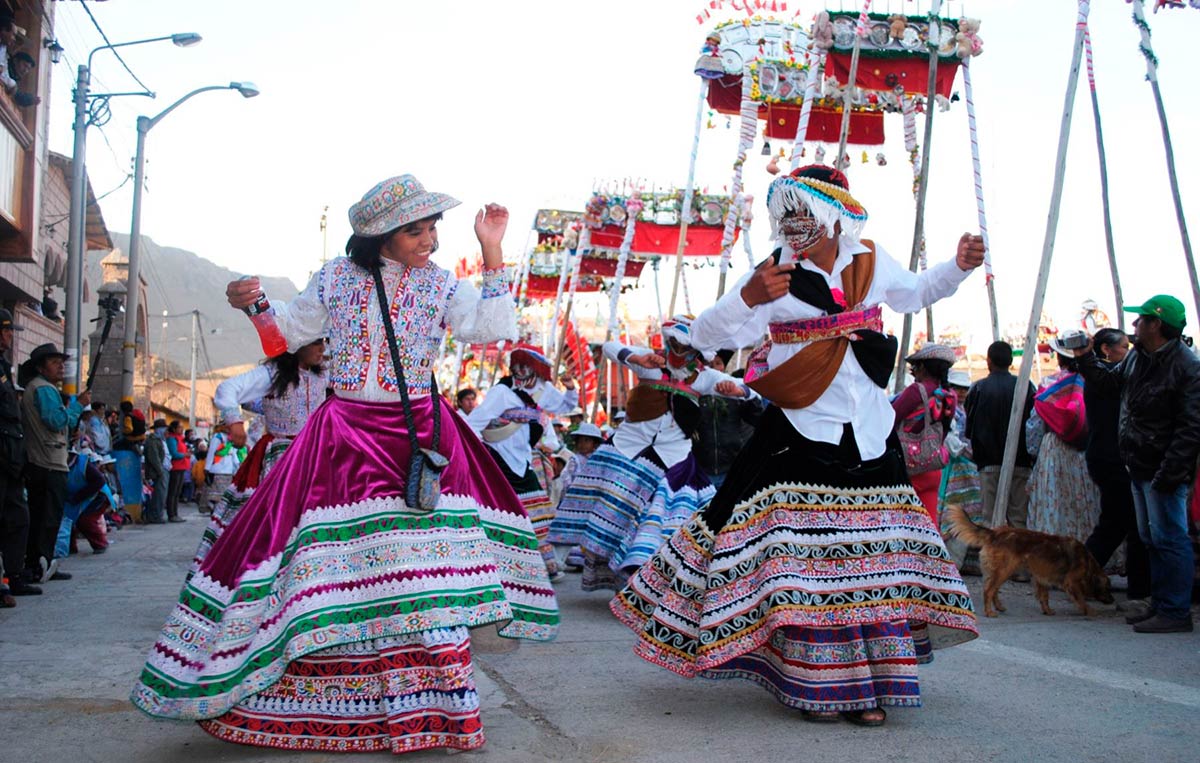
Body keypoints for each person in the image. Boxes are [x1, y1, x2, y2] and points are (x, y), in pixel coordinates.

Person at [133, 173, 558, 754]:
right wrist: (252, 303)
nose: (429, 239)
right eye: (415, 230)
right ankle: (323, 705)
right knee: (335, 573)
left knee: (422, 578)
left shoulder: (439, 284)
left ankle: (429, 709)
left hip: (419, 438)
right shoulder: (335, 278)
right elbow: (283, 336)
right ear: (381, 234)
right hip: (346, 436)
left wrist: (491, 248)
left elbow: (493, 328)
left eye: (432, 227)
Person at [610, 165, 980, 726]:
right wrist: (747, 298)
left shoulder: (872, 262)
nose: (793, 226)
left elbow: (916, 293)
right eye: (784, 216)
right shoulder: (772, 275)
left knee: (873, 562)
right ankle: (819, 684)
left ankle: (872, 685)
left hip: (871, 433)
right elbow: (707, 338)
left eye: (803, 214)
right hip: (800, 430)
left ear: (834, 216)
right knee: (805, 565)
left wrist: (958, 266)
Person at [549, 316, 751, 590]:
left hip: (673, 460)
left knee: (666, 518)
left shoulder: (704, 378)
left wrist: (738, 390)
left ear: (697, 352)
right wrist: (635, 357)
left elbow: (752, 394)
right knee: (594, 491)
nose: (679, 352)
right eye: (675, 344)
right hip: (628, 448)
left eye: (686, 348)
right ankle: (561, 555)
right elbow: (609, 347)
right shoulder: (651, 363)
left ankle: (653, 580)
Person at [1075, 295, 1200, 634]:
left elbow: (1191, 427)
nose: (1134, 326)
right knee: (1151, 538)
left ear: (1156, 324)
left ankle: (1175, 610)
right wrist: (1085, 357)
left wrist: (1170, 474)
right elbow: (1108, 383)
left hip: (1162, 470)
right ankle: (1163, 605)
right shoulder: (1138, 359)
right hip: (1140, 465)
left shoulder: (1186, 365)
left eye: (1141, 320)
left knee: (1170, 539)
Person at [189, 338, 327, 577]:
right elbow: (227, 389)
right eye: (316, 343)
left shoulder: (323, 375)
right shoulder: (272, 375)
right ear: (297, 344)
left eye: (323, 342)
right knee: (273, 522)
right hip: (281, 458)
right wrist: (235, 421)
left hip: (315, 456)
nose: (322, 349)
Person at [467, 345, 578, 580]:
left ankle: (542, 565)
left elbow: (564, 407)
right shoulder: (502, 392)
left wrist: (570, 389)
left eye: (525, 365)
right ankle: (499, 564)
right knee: (509, 508)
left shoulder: (542, 389)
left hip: (523, 457)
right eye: (516, 365)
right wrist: (480, 453)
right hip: (498, 455)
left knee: (534, 510)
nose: (520, 370)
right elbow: (475, 422)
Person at [1080, 328, 1150, 607]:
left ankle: (1080, 574)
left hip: (1106, 455)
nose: (1128, 351)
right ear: (1106, 350)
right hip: (1112, 458)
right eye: (1123, 346)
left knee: (1115, 524)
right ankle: (1139, 590)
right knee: (1128, 524)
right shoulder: (1107, 377)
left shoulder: (1105, 375)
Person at [19, 343, 87, 584]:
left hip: (44, 460)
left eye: (61, 362)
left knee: (43, 515)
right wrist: (77, 406)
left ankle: (44, 562)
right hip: (48, 463)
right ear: (40, 367)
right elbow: (56, 420)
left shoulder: (39, 389)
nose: (60, 366)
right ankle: (39, 564)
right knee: (47, 517)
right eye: (54, 362)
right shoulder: (44, 389)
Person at [1024, 345, 1100, 543]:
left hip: (1053, 449)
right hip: (1084, 449)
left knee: (1055, 503)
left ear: (1059, 358)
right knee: (1084, 502)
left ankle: (1053, 555)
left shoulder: (1048, 384)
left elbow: (1035, 424)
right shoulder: (1090, 382)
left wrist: (1034, 452)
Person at [965, 340, 1035, 530]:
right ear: (1011, 361)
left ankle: (992, 559)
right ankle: (1018, 558)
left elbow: (969, 429)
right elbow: (1034, 426)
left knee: (990, 521)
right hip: (1021, 462)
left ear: (989, 361)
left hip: (989, 462)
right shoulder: (1026, 386)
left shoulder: (978, 388)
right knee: (1018, 520)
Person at [892, 343, 957, 524]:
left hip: (908, 467)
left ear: (922, 367)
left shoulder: (916, 391)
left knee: (902, 526)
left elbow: (891, 419)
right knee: (928, 527)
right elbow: (942, 431)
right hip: (932, 466)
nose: (914, 373)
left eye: (915, 368)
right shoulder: (949, 394)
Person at [0, 308, 36, 596]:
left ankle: (13, 576)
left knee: (17, 518)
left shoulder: (3, 365)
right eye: (8, 330)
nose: (10, 335)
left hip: (11, 454)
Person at [694, 349, 765, 489]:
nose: (713, 367)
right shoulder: (694, 392)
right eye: (708, 363)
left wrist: (742, 396)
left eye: (718, 363)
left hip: (732, 469)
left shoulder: (734, 389)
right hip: (700, 471)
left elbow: (758, 420)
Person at [937, 369, 985, 573]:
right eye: (958, 388)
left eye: (964, 389)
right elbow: (951, 439)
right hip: (954, 465)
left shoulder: (964, 409)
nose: (962, 393)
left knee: (966, 510)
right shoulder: (950, 409)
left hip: (964, 466)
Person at [557, 421, 603, 573]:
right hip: (576, 501)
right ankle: (566, 560)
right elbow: (566, 477)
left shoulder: (597, 460)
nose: (583, 444)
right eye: (581, 440)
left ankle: (585, 560)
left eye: (587, 440)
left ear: (594, 443)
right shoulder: (574, 459)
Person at [202, 424, 239, 515]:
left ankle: (220, 512)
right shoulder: (217, 438)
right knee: (215, 494)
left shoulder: (232, 439)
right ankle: (214, 510)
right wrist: (207, 468)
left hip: (228, 470)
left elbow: (234, 455)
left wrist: (237, 468)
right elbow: (211, 453)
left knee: (224, 494)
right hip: (217, 469)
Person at [142, 419, 169, 525]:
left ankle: (158, 514)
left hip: (162, 469)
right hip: (158, 471)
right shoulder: (153, 440)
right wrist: (160, 471)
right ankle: (155, 515)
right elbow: (154, 458)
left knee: (161, 494)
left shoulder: (160, 440)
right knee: (159, 494)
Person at [164, 420, 190, 523]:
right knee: (173, 492)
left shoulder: (180, 439)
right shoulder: (172, 439)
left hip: (181, 467)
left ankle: (175, 513)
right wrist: (185, 455)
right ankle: (172, 514)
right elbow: (173, 453)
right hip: (175, 468)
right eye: (180, 427)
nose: (182, 429)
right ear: (174, 429)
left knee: (177, 492)